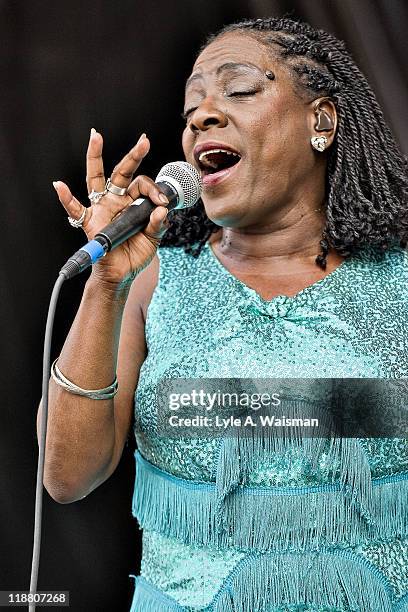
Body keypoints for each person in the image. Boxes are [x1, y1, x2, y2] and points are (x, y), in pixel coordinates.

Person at [38, 17, 408, 612]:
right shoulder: (149, 277)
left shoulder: (399, 281)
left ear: (322, 120)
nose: (202, 116)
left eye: (237, 91)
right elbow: (66, 476)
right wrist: (106, 283)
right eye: (192, 108)